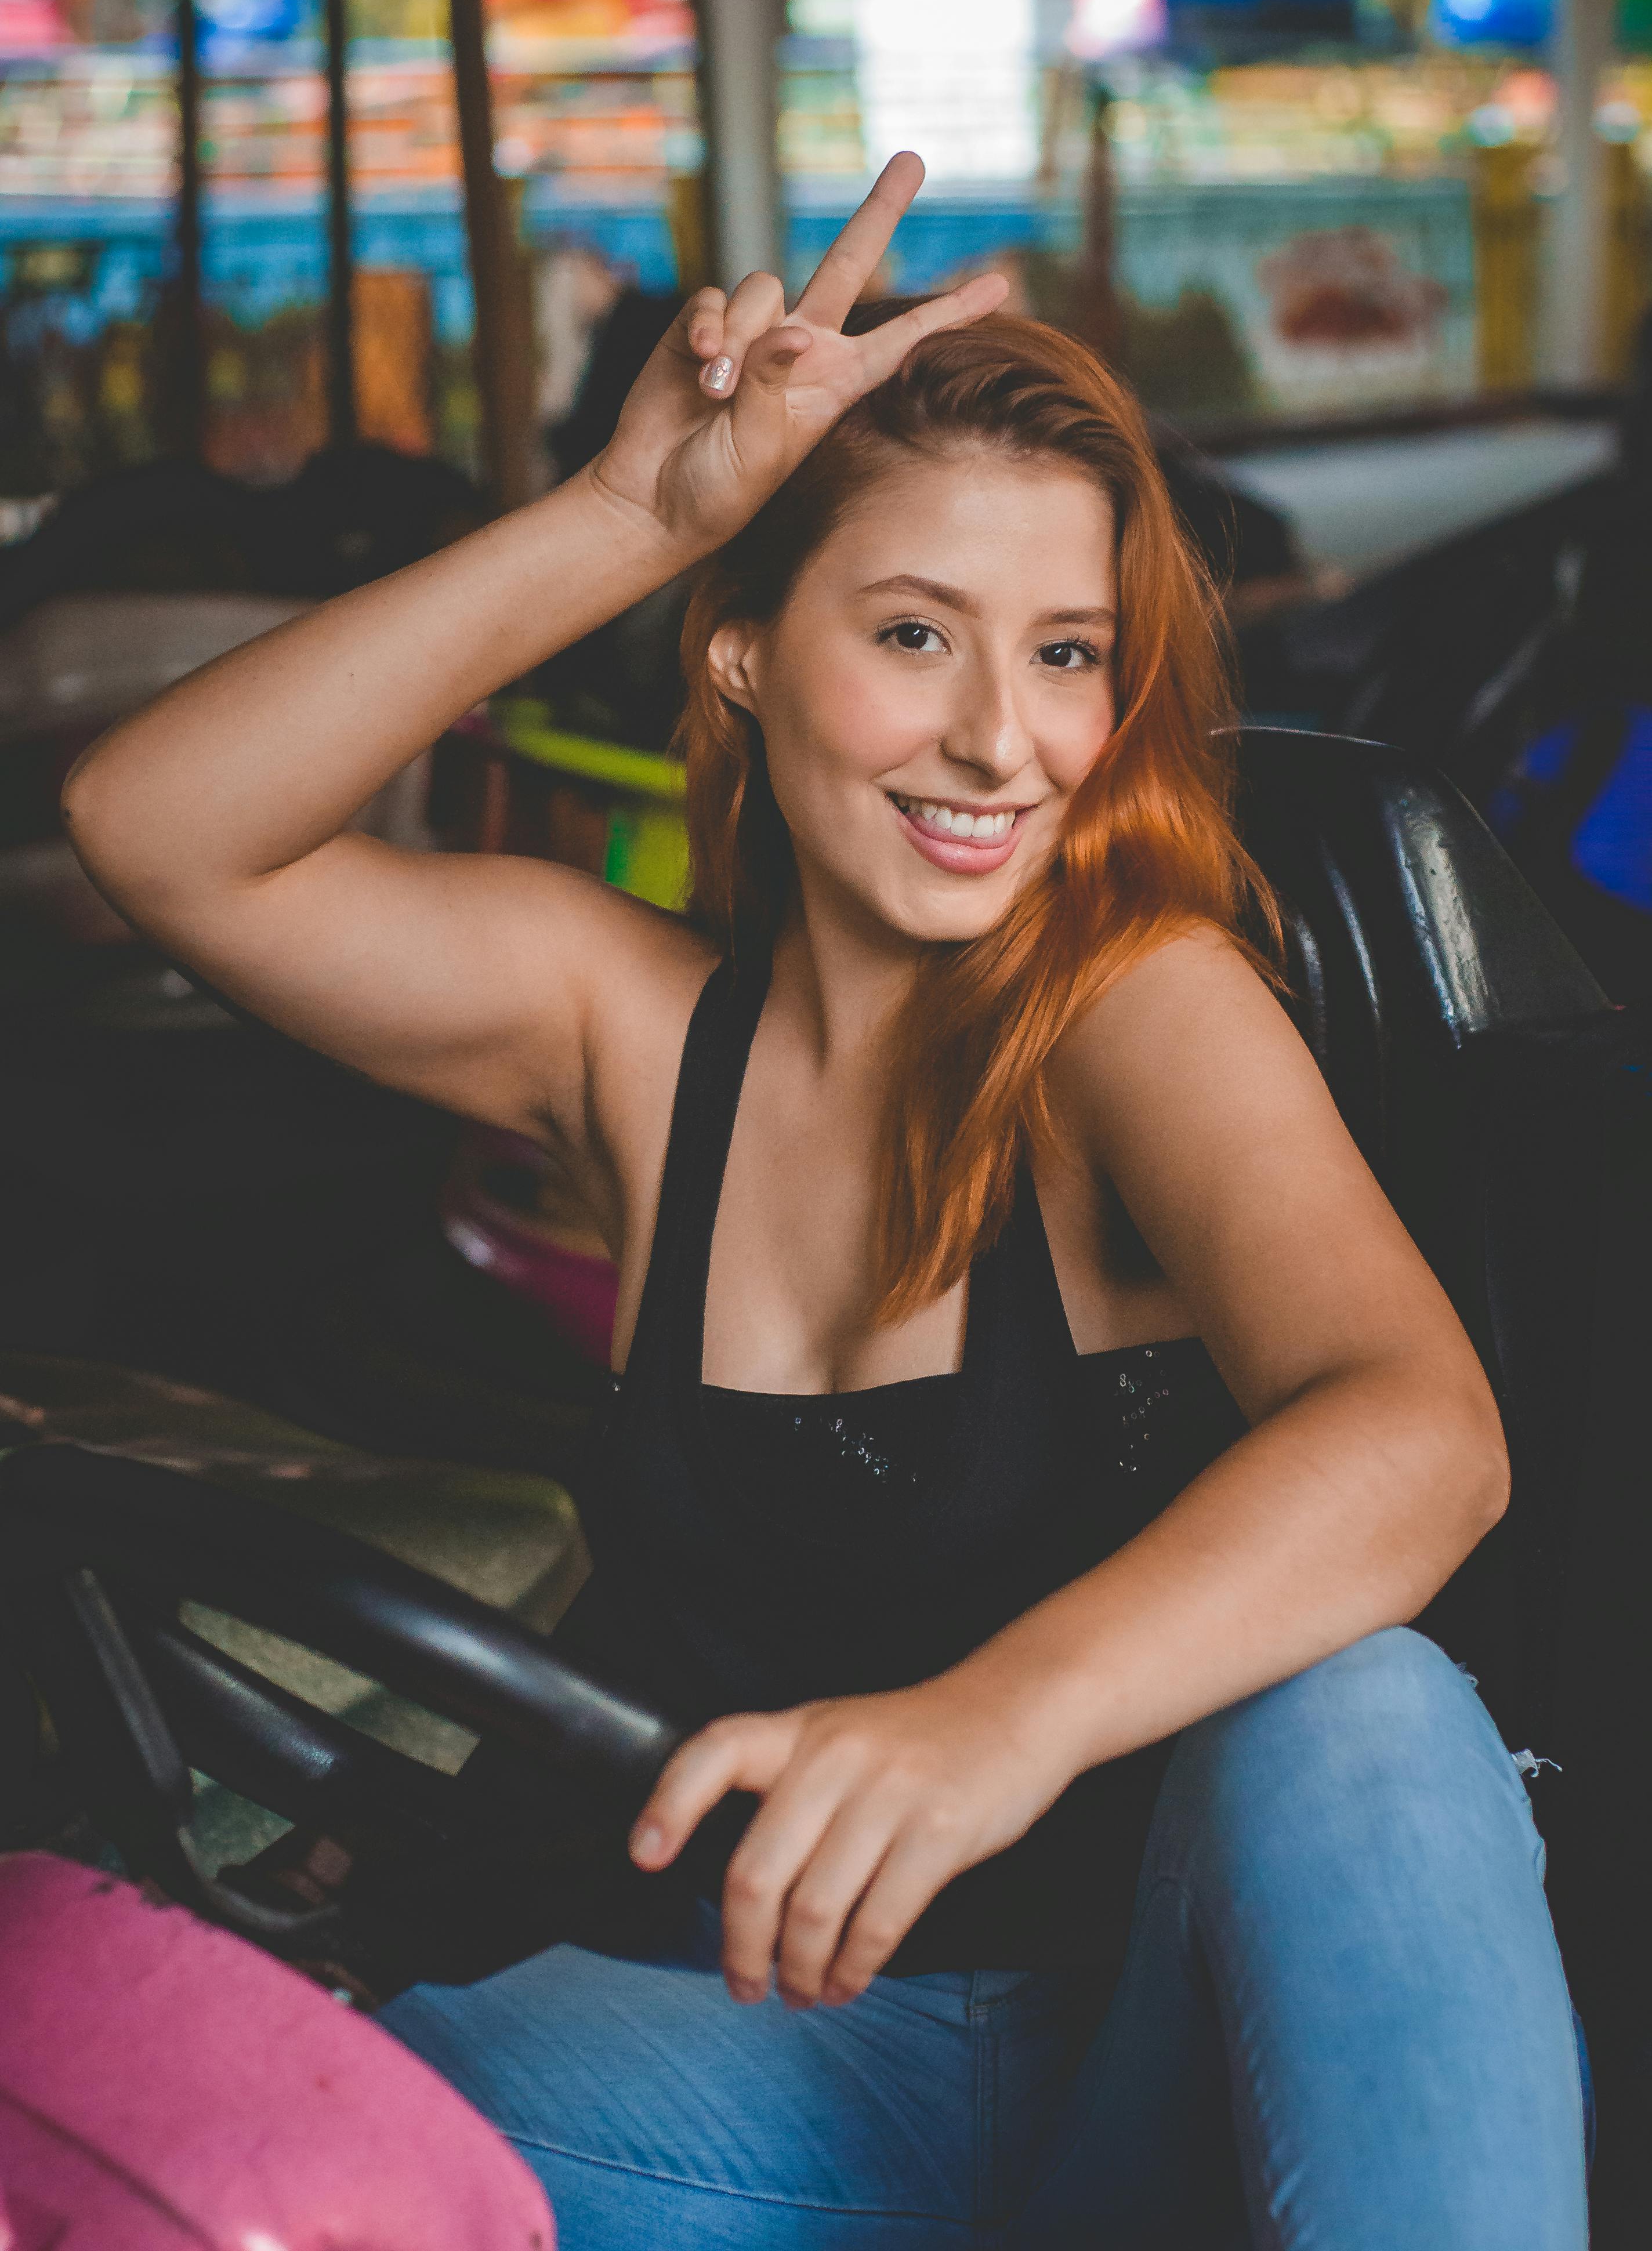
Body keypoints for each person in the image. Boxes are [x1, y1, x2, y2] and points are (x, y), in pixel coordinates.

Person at [62, 157, 1586, 2249]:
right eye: (910, 636)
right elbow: (156, 829)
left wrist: (996, 1722)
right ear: (748, 656)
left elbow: (1423, 1431)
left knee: (1368, 1707)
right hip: (775, 2062)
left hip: (1163, 2063)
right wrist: (630, 516)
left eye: (1065, 652)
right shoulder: (624, 1027)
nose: (1002, 740)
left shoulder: (1138, 998)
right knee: (163, 2118)